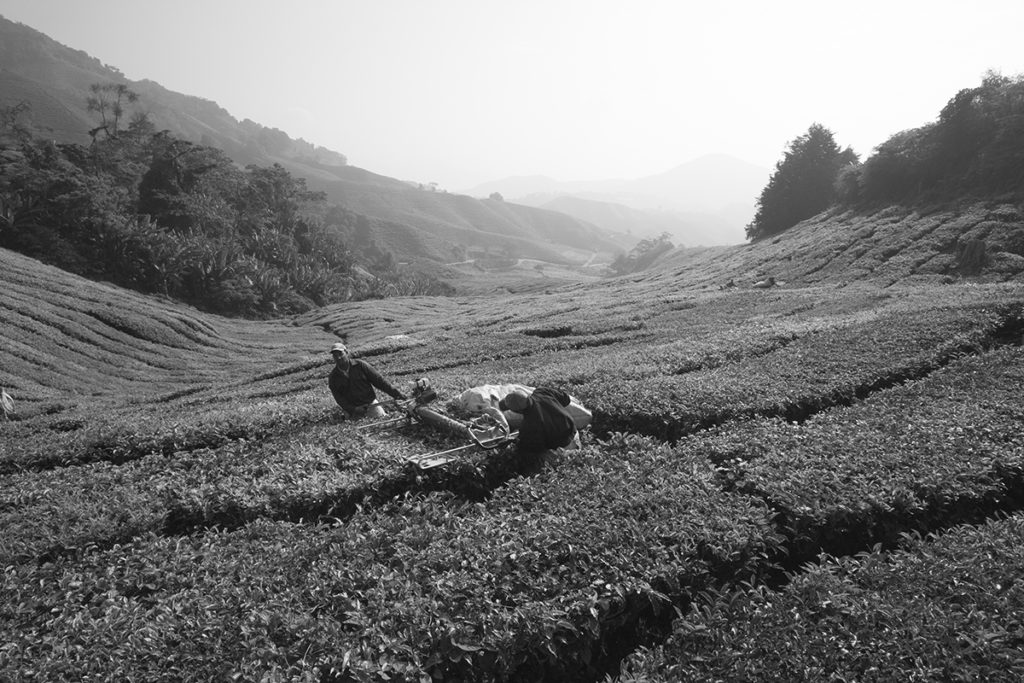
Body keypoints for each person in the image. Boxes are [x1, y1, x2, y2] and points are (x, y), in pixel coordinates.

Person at [327, 342, 405, 419]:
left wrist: (398, 395)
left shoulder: (360, 365)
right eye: (335, 355)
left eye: (340, 354)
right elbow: (339, 399)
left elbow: (380, 382)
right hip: (352, 410)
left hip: (370, 405)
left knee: (382, 420)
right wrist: (353, 409)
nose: (338, 358)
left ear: (346, 353)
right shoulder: (333, 377)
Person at [498, 386, 580, 454]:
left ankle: (571, 454)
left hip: (565, 447)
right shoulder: (542, 391)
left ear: (518, 411)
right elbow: (566, 399)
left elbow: (532, 447)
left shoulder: (530, 424)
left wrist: (513, 442)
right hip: (574, 432)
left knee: (535, 457)